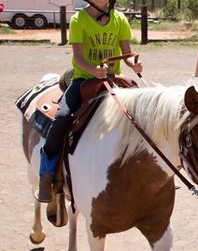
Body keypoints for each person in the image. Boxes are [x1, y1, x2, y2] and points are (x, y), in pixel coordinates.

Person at [37, 0, 142, 203]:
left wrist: (134, 63)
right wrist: (93, 70)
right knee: (62, 117)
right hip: (84, 80)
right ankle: (47, 175)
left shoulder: (119, 19)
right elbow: (78, 57)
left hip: (114, 79)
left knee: (142, 113)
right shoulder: (79, 20)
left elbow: (127, 53)